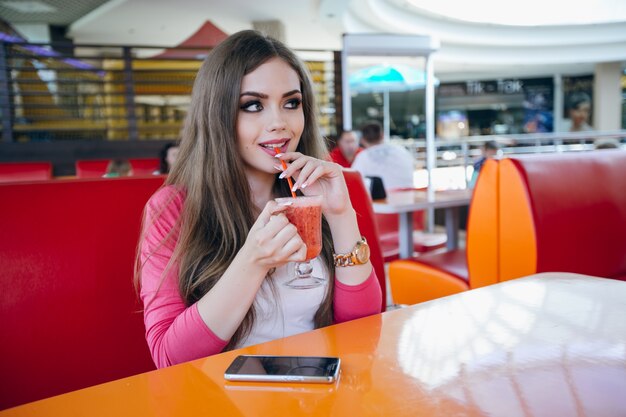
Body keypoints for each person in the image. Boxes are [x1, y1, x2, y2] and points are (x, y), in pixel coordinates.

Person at [135, 30, 381, 368]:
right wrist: (253, 261)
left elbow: (362, 327)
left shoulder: (312, 192)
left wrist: (341, 215)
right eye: (253, 105)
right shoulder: (173, 208)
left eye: (291, 103)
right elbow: (169, 357)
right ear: (218, 116)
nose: (279, 123)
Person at [351, 121, 415, 191]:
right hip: (410, 197)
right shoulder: (401, 150)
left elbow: (353, 181)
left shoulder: (363, 157)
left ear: (362, 140)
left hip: (382, 200)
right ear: (382, 135)